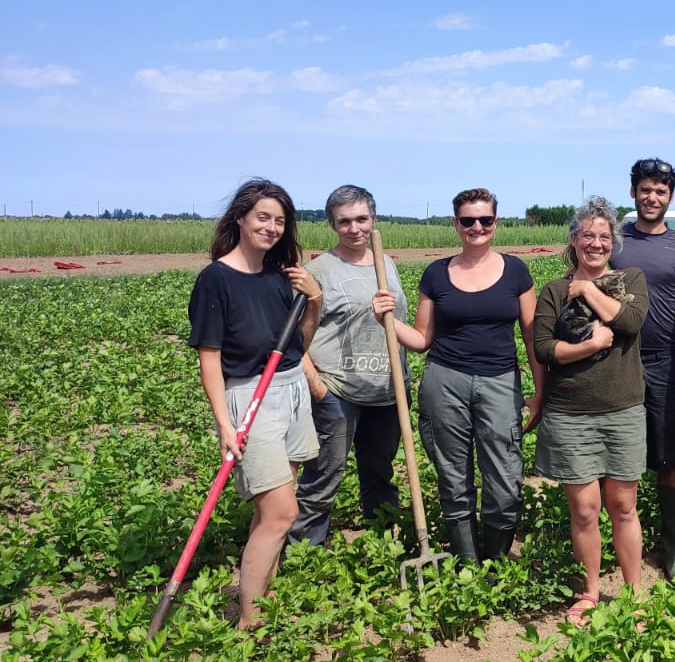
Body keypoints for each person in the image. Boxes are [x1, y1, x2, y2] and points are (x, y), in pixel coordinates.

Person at [187, 178, 323, 629]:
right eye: (263, 217)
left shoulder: (279, 276)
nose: (271, 227)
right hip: (249, 394)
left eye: (280, 221)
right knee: (283, 511)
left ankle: (262, 600)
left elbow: (297, 345)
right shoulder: (216, 279)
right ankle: (250, 622)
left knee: (271, 512)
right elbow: (210, 360)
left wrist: (314, 300)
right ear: (240, 218)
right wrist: (225, 424)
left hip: (289, 387)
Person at [374, 188, 536, 564]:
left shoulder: (516, 270)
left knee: (504, 477)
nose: (476, 227)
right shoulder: (436, 273)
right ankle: (467, 566)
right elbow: (421, 339)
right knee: (452, 476)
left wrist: (538, 391)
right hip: (445, 380)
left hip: (500, 381)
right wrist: (387, 319)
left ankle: (494, 565)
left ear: (496, 223)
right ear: (456, 224)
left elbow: (531, 336)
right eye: (468, 220)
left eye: (485, 220)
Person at [531, 198, 649, 623]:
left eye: (604, 236)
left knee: (623, 506)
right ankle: (590, 591)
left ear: (613, 242)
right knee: (583, 510)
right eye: (588, 236)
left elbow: (632, 321)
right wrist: (590, 345)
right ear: (574, 240)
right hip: (570, 413)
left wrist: (587, 291)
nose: (596, 244)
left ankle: (635, 593)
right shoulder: (552, 290)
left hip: (622, 409)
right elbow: (544, 348)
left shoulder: (630, 278)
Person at [290, 185, 405, 545]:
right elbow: (294, 338)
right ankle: (304, 552)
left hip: (388, 391)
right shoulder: (318, 270)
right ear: (332, 224)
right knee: (324, 475)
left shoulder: (385, 261)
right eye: (344, 222)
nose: (354, 228)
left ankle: (381, 544)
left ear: (373, 219)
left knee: (379, 471)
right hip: (338, 391)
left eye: (361, 219)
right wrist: (317, 387)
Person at [620, 158, 675, 579]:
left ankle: (671, 547)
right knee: (616, 458)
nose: (652, 197)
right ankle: (620, 544)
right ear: (633, 191)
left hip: (662, 361)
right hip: (614, 361)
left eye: (661, 191)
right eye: (646, 189)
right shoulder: (613, 240)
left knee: (668, 457)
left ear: (671, 197)